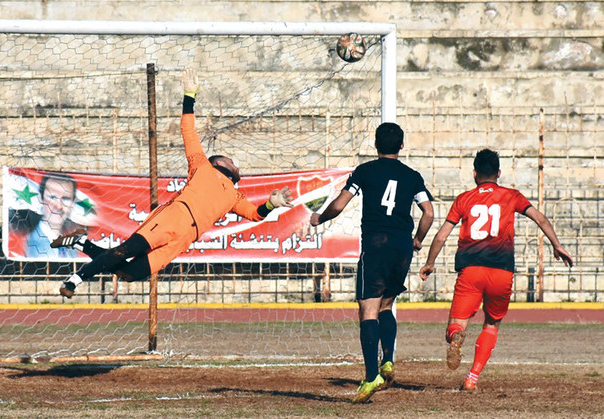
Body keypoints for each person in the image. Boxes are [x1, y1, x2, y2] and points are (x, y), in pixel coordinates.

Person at [53, 67, 293, 298]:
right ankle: (74, 281)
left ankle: (80, 242)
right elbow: (188, 130)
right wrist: (190, 95)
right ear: (219, 162)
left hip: (185, 237)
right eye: (230, 159)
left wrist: (271, 204)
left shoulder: (235, 195)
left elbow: (255, 214)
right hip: (174, 217)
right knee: (125, 251)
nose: (236, 163)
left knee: (127, 272)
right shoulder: (202, 165)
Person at [419, 148, 573, 391]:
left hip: (471, 271)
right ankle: (472, 378)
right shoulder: (512, 195)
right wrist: (557, 245)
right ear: (499, 172)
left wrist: (430, 262)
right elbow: (540, 218)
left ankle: (457, 336)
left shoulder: (463, 199)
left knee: (456, 324)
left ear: (474, 173)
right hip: (502, 272)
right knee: (491, 324)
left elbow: (441, 236)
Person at [310, 122, 434, 403]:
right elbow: (428, 212)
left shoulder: (365, 171)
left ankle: (370, 377)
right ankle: (387, 360)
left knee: (368, 309)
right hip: (402, 246)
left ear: (375, 145)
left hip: (376, 244)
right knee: (387, 305)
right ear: (401, 146)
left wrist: (320, 217)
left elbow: (340, 205)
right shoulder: (412, 176)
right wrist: (417, 239)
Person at [24, 173, 82, 258]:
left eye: (65, 199)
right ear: (41, 199)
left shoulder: (72, 248)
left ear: (73, 203)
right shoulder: (29, 243)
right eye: (52, 197)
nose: (58, 206)